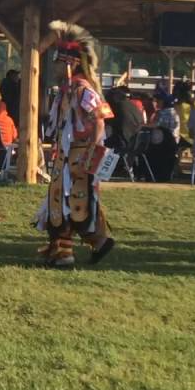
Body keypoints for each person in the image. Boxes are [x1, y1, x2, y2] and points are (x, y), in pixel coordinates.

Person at [33, 21, 117, 268]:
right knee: (63, 203)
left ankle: (82, 248)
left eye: (59, 62)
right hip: (68, 156)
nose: (55, 67)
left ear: (71, 63)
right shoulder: (68, 90)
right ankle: (74, 250)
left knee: (74, 204)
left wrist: (91, 152)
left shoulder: (81, 89)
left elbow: (99, 119)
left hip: (79, 156)